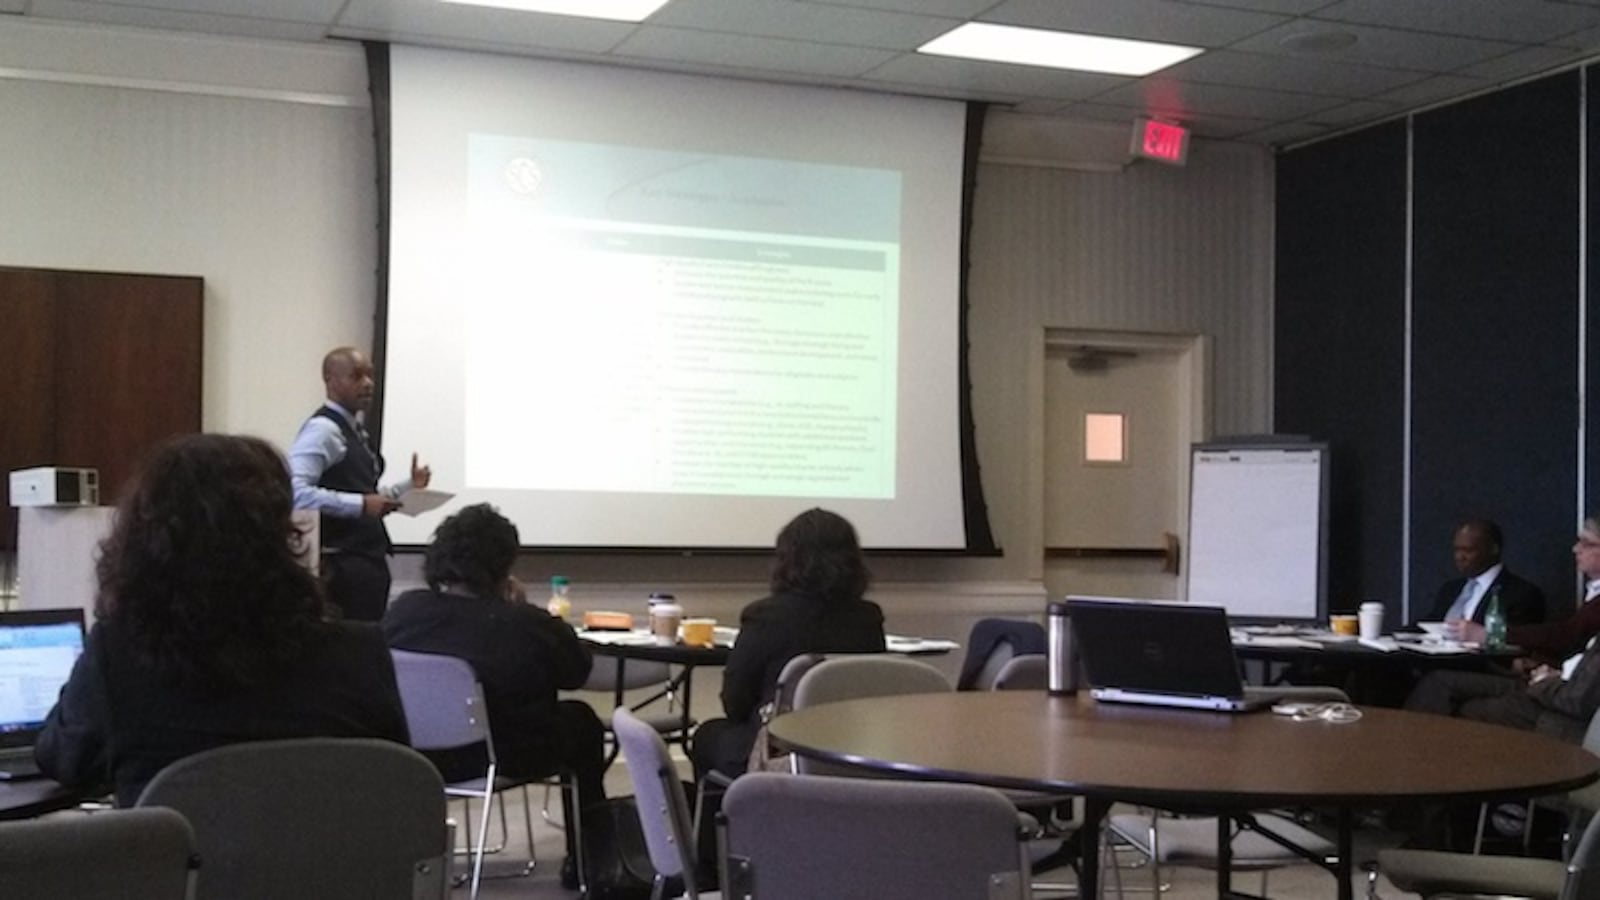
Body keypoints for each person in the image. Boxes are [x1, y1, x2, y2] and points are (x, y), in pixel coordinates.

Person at [35, 434, 409, 806]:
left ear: (144, 543)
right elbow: (395, 780)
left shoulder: (117, 657)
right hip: (330, 865)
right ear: (281, 535)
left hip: (178, 864)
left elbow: (63, 759)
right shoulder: (362, 654)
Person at [381, 503, 603, 880]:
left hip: (414, 757)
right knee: (581, 720)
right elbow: (576, 671)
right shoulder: (522, 622)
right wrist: (522, 608)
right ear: (503, 565)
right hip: (501, 756)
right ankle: (589, 861)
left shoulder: (404, 612)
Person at [689, 508, 887, 782]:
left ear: (788, 560)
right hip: (848, 752)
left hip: (778, 753)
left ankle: (726, 822)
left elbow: (735, 701)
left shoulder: (765, 616)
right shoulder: (868, 619)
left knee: (707, 735)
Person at [1406, 517, 1600, 744]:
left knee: (1451, 697)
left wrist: (1495, 636)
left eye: (1587, 543)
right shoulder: (1451, 588)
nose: (1575, 549)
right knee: (1431, 686)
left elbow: (1567, 636)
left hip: (1550, 690)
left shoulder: (1523, 594)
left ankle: (1410, 752)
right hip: (1542, 675)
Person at [289, 346, 431, 621]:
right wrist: (360, 505)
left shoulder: (354, 430)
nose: (367, 384)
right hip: (342, 567)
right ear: (330, 379)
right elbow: (295, 493)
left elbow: (363, 493)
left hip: (365, 563)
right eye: (356, 376)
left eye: (370, 375)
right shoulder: (323, 430)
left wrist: (407, 486)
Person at [1418, 518, 1544, 627]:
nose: (1459, 557)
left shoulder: (1522, 594)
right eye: (1456, 550)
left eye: (1468, 550)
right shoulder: (1450, 589)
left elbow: (1516, 639)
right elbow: (1431, 622)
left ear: (1494, 549)